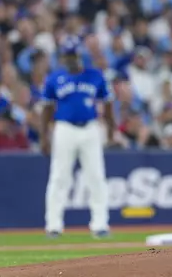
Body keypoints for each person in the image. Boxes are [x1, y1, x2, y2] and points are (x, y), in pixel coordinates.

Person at [41, 36, 116, 239]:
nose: (70, 59)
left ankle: (100, 224)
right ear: (62, 57)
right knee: (59, 177)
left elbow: (108, 104)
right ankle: (53, 225)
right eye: (66, 55)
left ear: (79, 55)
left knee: (96, 177)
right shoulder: (55, 78)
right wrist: (44, 136)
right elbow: (46, 109)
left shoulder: (95, 75)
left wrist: (111, 130)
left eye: (72, 55)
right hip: (64, 128)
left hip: (90, 128)